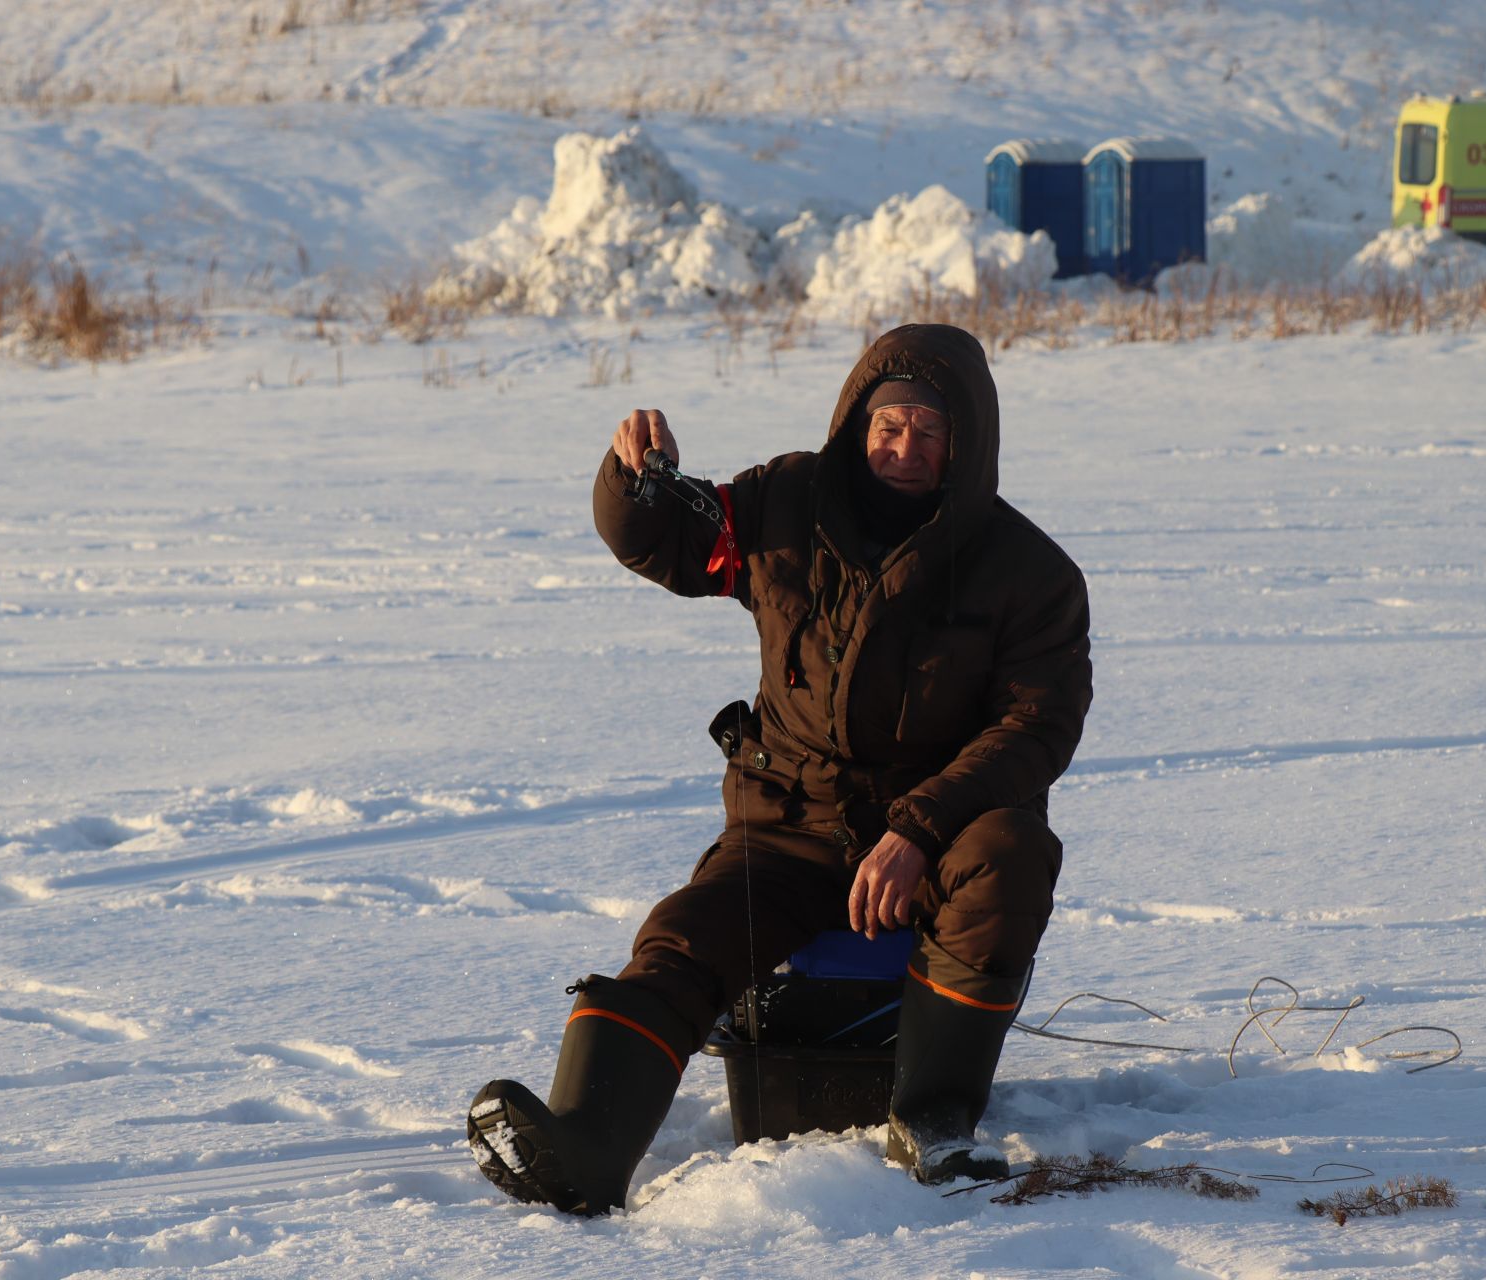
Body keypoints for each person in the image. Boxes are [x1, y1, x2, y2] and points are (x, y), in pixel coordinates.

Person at [468, 322, 1092, 1213]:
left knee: (1011, 852)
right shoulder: (786, 502)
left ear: (966, 441)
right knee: (684, 933)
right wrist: (636, 484)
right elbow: (673, 544)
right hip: (789, 822)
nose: (904, 447)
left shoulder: (1030, 573)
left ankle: (936, 1119)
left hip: (939, 837)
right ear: (856, 425)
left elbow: (1038, 728)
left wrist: (917, 829)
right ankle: (587, 1147)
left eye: (928, 429)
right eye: (888, 425)